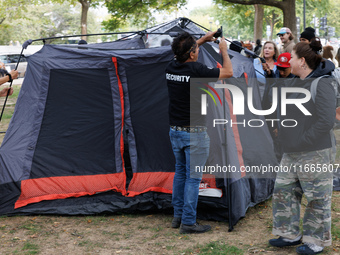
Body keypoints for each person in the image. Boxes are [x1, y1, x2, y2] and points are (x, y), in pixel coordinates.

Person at [269, 38, 336, 255]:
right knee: (284, 191)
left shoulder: (322, 83)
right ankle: (289, 234)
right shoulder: (296, 81)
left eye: (293, 58)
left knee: (317, 197)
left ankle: (315, 240)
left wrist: (304, 140)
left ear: (303, 61)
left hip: (314, 151)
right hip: (291, 151)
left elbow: (326, 121)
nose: (289, 61)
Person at [166, 31, 233, 234]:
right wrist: (223, 51)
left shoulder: (171, 66)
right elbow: (228, 72)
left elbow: (182, 53)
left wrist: (203, 40)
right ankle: (188, 222)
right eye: (195, 48)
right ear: (193, 54)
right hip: (194, 133)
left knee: (180, 173)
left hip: (175, 131)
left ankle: (178, 216)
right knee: (193, 179)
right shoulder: (197, 69)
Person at [262, 52, 294, 162]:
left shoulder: (298, 82)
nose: (281, 72)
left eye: (284, 69)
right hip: (277, 126)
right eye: (279, 68)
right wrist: (274, 125)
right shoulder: (276, 82)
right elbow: (270, 107)